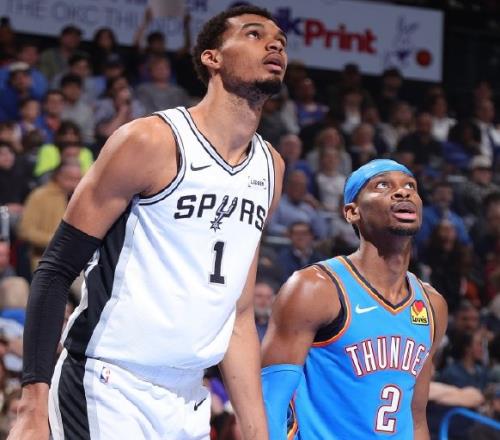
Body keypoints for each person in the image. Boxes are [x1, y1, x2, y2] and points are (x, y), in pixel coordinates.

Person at [10, 5, 287, 440]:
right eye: (254, 34)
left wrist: (256, 430)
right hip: (108, 383)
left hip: (187, 397)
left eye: (280, 41)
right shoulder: (151, 140)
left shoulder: (271, 168)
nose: (274, 45)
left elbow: (238, 312)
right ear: (212, 58)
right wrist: (32, 405)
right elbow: (56, 267)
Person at [261, 159, 448, 439]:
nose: (403, 192)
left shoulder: (432, 305)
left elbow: (416, 418)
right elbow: (269, 401)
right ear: (352, 212)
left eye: (411, 186)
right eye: (383, 185)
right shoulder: (316, 287)